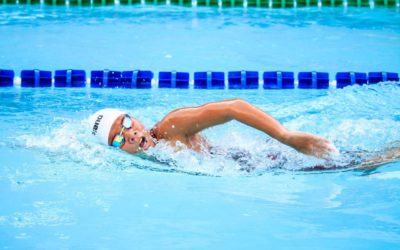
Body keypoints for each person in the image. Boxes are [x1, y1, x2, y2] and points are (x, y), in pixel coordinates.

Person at [89, 98, 338, 159]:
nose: (130, 134)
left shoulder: (171, 126)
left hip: (262, 160)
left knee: (350, 162)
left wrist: (287, 137)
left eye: (128, 124)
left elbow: (234, 107)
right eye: (117, 139)